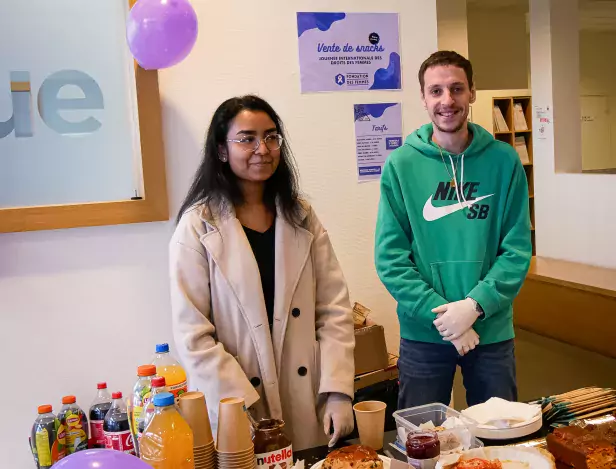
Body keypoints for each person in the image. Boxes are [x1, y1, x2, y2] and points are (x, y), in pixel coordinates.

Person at [169, 95, 355, 451]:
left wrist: (337, 392)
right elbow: (193, 336)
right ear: (222, 150)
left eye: (271, 137)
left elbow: (334, 310)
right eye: (247, 139)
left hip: (307, 400)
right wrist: (240, 403)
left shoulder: (301, 216)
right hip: (241, 408)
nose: (263, 149)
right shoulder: (198, 227)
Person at [374, 51, 532, 409]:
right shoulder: (401, 165)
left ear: (472, 93)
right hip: (425, 335)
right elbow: (390, 258)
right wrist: (445, 318)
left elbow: (518, 250)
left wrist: (475, 306)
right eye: (436, 91)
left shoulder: (504, 161)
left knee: (500, 438)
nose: (447, 100)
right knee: (421, 442)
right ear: (423, 97)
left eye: (457, 88)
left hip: (490, 332)